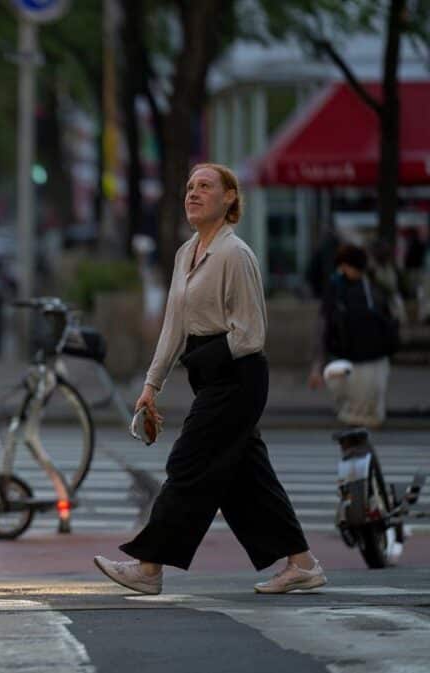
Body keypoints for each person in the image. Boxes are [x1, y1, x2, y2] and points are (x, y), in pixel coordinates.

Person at [93, 163, 327, 595]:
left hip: (238, 376)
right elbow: (172, 326)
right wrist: (151, 385)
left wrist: (207, 359)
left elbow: (252, 333)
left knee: (188, 463)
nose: (193, 194)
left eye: (205, 187)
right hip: (211, 373)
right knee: (244, 478)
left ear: (230, 199)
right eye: (189, 187)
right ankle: (303, 563)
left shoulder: (235, 255)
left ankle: (149, 568)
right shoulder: (187, 253)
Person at [312, 244, 398, 428]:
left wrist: (318, 366)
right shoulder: (373, 287)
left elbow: (324, 326)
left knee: (353, 409)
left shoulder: (338, 287)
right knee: (368, 410)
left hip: (351, 356)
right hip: (372, 357)